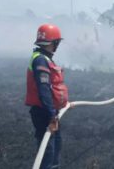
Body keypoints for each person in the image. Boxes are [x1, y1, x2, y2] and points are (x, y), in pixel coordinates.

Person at [25, 23, 68, 169]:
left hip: (49, 111)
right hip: (44, 112)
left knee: (56, 144)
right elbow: (44, 90)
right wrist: (51, 115)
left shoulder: (45, 58)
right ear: (52, 43)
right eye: (57, 43)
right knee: (47, 151)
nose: (57, 46)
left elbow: (53, 86)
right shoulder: (40, 60)